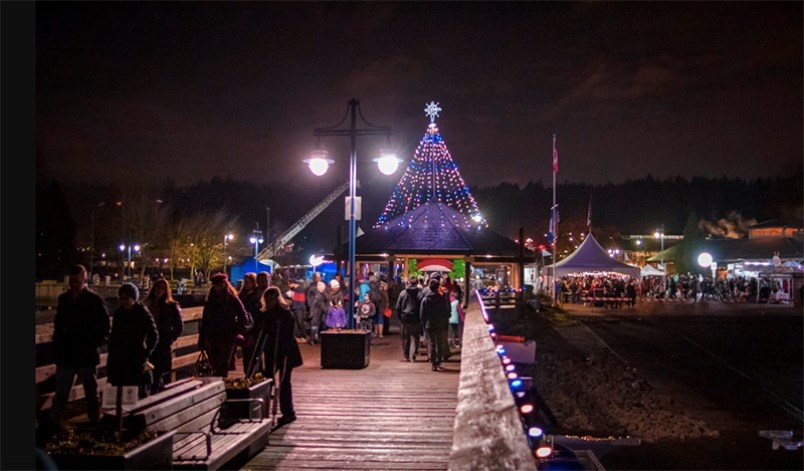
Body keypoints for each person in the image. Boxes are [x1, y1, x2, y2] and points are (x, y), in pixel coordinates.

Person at [49, 264, 111, 429]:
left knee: (90, 392)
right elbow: (59, 323)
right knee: (62, 392)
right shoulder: (65, 299)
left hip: (85, 353)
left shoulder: (94, 300)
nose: (74, 284)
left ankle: (93, 421)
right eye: (72, 281)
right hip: (68, 353)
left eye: (77, 281)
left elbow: (105, 326)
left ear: (84, 279)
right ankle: (53, 423)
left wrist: (93, 341)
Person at [259, 286, 303, 429]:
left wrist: (283, 348)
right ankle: (262, 410)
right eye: (267, 298)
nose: (270, 301)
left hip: (285, 352)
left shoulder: (284, 314)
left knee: (284, 382)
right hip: (272, 352)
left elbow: (287, 334)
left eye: (272, 298)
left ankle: (288, 412)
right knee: (268, 380)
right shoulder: (266, 315)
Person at [107, 283, 159, 399]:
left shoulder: (142, 312)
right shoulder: (119, 314)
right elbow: (115, 337)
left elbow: (154, 334)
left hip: (136, 357)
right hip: (121, 358)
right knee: (122, 393)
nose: (123, 301)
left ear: (133, 298)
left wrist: (146, 353)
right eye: (121, 298)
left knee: (138, 391)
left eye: (126, 298)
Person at [198, 273, 250, 377]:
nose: (219, 287)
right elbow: (205, 321)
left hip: (227, 337)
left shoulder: (232, 299)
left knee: (223, 364)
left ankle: (221, 385)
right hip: (212, 336)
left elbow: (243, 316)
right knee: (214, 364)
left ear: (225, 284)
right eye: (216, 285)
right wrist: (202, 338)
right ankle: (218, 386)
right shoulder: (210, 301)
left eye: (221, 284)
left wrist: (237, 331)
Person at [144, 277, 183, 394]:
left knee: (158, 371)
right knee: (150, 371)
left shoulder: (171, 306)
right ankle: (156, 391)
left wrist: (171, 338)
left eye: (162, 288)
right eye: (157, 287)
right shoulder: (147, 305)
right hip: (148, 343)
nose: (159, 290)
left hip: (162, 343)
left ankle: (154, 394)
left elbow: (178, 325)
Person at [419, 276, 451, 371]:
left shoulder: (425, 299)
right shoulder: (442, 299)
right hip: (440, 324)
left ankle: (433, 363)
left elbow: (422, 314)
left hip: (429, 324)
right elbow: (446, 312)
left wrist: (423, 325)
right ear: (438, 287)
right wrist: (445, 323)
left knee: (432, 343)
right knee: (439, 343)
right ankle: (438, 361)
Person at [237, 272, 261, 376]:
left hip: (254, 330)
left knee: (254, 354)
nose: (246, 284)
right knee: (246, 355)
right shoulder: (241, 296)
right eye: (245, 282)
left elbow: (257, 314)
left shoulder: (256, 296)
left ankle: (256, 375)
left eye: (248, 282)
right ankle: (248, 374)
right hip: (245, 330)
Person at [395, 275, 422, 362]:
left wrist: (400, 317)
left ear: (409, 282)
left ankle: (406, 355)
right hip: (416, 318)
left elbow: (398, 307)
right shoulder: (419, 293)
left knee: (406, 337)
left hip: (405, 318)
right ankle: (413, 354)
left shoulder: (403, 293)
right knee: (415, 337)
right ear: (417, 282)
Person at [305, 273, 327, 345]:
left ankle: (314, 338)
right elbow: (314, 304)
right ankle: (312, 339)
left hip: (317, 312)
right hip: (315, 313)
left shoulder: (319, 293)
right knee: (314, 325)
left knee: (316, 325)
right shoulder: (318, 295)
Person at [288, 278, 308, 343]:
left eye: (289, 284)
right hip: (295, 308)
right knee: (296, 323)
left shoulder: (300, 289)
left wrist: (300, 308)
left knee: (300, 322)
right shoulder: (293, 289)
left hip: (299, 309)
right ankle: (297, 336)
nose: (288, 286)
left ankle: (304, 336)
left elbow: (302, 301)